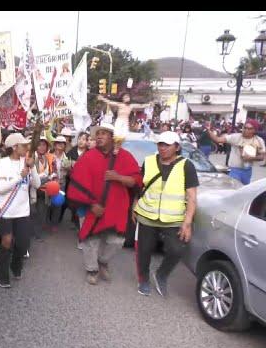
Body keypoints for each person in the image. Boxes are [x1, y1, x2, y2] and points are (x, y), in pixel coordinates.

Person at [67, 123, 142, 285]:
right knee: (90, 241)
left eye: (104, 133)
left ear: (112, 137)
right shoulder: (88, 156)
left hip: (116, 208)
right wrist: (91, 204)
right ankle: (92, 269)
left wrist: (118, 177)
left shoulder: (125, 156)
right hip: (91, 208)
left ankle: (103, 261)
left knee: (117, 241)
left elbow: (135, 181)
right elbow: (76, 183)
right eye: (98, 133)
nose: (99, 136)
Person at [133, 131, 198, 297]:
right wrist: (134, 206)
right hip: (147, 215)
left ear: (176, 147)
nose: (162, 148)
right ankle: (144, 279)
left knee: (177, 250)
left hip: (173, 219)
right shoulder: (148, 162)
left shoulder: (186, 165)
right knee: (144, 251)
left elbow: (191, 196)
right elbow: (141, 187)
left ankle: (161, 274)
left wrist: (187, 223)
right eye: (160, 144)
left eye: (167, 145)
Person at [0, 133, 40, 288]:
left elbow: (38, 185)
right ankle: (2, 274)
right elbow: (0, 189)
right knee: (6, 242)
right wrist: (20, 177)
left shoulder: (27, 162)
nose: (27, 148)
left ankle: (16, 266)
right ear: (14, 147)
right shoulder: (2, 163)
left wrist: (32, 168)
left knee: (22, 244)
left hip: (23, 212)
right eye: (24, 145)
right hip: (6, 210)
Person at [205, 118, 265, 185]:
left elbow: (262, 157)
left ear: (254, 130)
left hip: (247, 170)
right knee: (234, 188)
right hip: (234, 170)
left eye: (249, 129)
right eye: (245, 128)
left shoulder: (258, 140)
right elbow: (217, 139)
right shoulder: (236, 137)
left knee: (244, 190)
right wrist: (208, 130)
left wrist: (250, 158)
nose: (246, 130)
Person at [31, 135, 55, 239]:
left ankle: (37, 233)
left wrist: (51, 177)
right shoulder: (31, 158)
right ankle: (33, 232)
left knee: (42, 212)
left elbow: (49, 172)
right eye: (39, 145)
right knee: (34, 212)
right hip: (33, 190)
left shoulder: (47, 158)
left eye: (44, 145)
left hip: (45, 190)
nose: (42, 147)